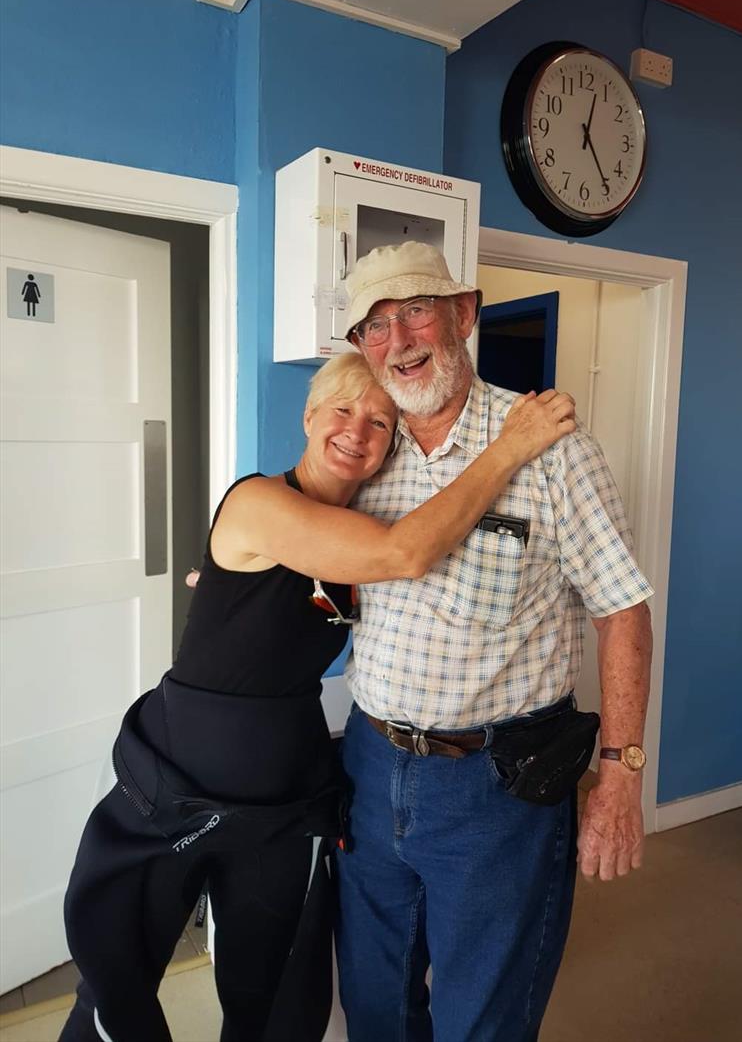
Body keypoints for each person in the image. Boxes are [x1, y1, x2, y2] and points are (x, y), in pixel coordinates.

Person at [59, 351, 576, 1042]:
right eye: (341, 410)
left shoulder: (356, 536)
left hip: (281, 803)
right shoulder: (260, 501)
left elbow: (400, 580)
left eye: (380, 423)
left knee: (273, 996)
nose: (357, 431)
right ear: (308, 416)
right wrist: (511, 446)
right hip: (175, 782)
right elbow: (404, 553)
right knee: (113, 979)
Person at [333, 241, 654, 1042]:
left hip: (494, 790)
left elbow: (622, 612)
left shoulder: (554, 453)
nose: (399, 340)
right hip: (369, 770)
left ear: (463, 315)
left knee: (484, 1020)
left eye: (416, 310)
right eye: (375, 325)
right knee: (376, 1008)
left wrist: (619, 772)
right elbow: (295, 531)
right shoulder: (366, 453)